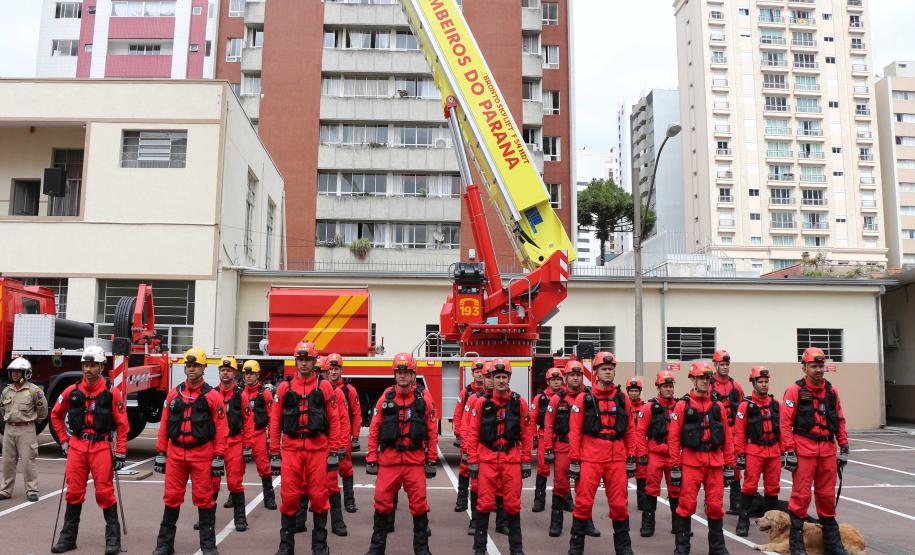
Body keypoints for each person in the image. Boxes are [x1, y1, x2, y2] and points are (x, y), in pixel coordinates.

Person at [49, 346, 129, 555]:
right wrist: (64, 441)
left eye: (93, 365)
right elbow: (55, 415)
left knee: (104, 492)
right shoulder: (71, 391)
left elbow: (122, 425)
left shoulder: (112, 393)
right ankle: (68, 538)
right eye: (85, 365)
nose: (88, 369)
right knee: (74, 492)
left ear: (101, 367)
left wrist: (120, 452)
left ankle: (113, 540)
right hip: (77, 447)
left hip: (101, 447)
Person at [152, 347, 229, 555]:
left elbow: (222, 429)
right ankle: (164, 544)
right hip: (175, 455)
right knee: (171, 498)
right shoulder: (173, 394)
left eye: (196, 365)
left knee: (204, 499)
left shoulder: (213, 397)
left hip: (202, 456)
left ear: (204, 368)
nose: (192, 369)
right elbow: (164, 424)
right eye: (189, 365)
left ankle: (208, 545)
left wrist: (218, 456)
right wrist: (161, 453)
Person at [364, 353, 438, 555]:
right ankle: (376, 549)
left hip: (414, 462)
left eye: (407, 372)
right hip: (389, 462)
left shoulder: (424, 399)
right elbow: (374, 429)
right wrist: (371, 457)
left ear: (414, 375)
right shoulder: (385, 398)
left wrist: (431, 459)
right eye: (399, 372)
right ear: (394, 374)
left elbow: (432, 431)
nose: (403, 375)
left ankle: (422, 550)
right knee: (381, 503)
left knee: (419, 505)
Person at [271, 340, 340, 555]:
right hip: (291, 450)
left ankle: (320, 545)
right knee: (289, 497)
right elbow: (275, 421)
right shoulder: (284, 388)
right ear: (295, 361)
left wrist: (334, 451)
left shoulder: (324, 386)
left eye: (308, 359)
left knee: (319, 497)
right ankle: (286, 545)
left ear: (314, 361)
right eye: (300, 359)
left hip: (318, 450)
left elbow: (334, 420)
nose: (303, 363)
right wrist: (274, 453)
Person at [781, 347, 850, 555]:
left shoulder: (832, 391)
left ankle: (832, 544)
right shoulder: (794, 391)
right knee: (801, 496)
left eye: (821, 366)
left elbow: (839, 418)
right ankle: (796, 544)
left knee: (827, 496)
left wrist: (843, 443)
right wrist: (789, 451)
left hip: (827, 450)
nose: (819, 370)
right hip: (804, 450)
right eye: (814, 366)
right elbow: (785, 423)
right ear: (804, 367)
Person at [567, 351, 637, 555]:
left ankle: (624, 549)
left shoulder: (622, 398)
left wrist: (631, 456)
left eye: (611, 369)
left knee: (619, 505)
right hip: (591, 458)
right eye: (604, 369)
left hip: (617, 459)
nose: (608, 372)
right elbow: (574, 431)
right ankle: (575, 549)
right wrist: (574, 460)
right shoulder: (583, 399)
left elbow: (630, 429)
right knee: (583, 503)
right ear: (596, 372)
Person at [464, 358, 534, 555]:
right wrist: (472, 460)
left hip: (511, 460)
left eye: (504, 377)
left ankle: (516, 550)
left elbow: (527, 434)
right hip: (487, 460)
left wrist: (526, 460)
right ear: (491, 379)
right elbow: (473, 433)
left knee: (512, 505)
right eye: (497, 377)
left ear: (509, 378)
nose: (501, 381)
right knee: (484, 504)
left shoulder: (519, 403)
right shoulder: (481, 403)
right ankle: (479, 549)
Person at [668, 361, 736, 555]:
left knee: (715, 506)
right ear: (693, 379)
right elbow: (673, 438)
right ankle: (682, 547)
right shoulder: (682, 406)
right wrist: (675, 467)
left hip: (715, 462)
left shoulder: (718, 406)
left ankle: (717, 548)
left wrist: (730, 465)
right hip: (691, 462)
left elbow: (727, 438)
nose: (705, 381)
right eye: (701, 378)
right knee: (686, 504)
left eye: (707, 378)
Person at [733, 366, 782, 537]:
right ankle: (743, 521)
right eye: (760, 381)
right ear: (753, 383)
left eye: (766, 381)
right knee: (749, 486)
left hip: (774, 451)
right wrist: (739, 454)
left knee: (773, 488)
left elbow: (783, 430)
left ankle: (774, 524)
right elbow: (739, 432)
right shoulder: (745, 406)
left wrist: (785, 451)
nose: (763, 384)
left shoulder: (776, 405)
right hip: (754, 450)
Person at [635, 370, 680, 538]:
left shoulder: (680, 406)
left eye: (670, 386)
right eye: (665, 386)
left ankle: (678, 525)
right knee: (651, 489)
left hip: (674, 455)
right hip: (655, 454)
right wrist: (643, 454)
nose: (668, 389)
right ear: (658, 388)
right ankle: (648, 525)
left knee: (676, 489)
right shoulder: (648, 407)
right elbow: (640, 432)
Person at [212, 357, 253, 532]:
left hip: (234, 443)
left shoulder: (241, 395)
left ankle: (240, 519)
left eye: (229, 370)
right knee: (211, 483)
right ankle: (207, 519)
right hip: (214, 445)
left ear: (234, 373)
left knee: (235, 483)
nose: (225, 373)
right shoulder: (211, 394)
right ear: (219, 372)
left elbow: (248, 421)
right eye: (223, 370)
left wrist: (247, 446)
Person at [0, 357, 48, 503]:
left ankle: (32, 490)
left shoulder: (34, 391)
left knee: (28, 461)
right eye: (13, 371)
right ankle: (5, 490)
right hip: (9, 429)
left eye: (18, 371)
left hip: (26, 429)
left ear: (26, 373)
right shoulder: (6, 391)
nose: (14, 374)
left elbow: (43, 412)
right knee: (7, 462)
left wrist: (32, 423)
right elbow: (2, 409)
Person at [317, 355, 350, 537]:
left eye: (322, 371)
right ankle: (299, 521)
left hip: (329, 445)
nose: (320, 375)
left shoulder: (336, 393)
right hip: (310, 447)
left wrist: (339, 447)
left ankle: (337, 522)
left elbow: (343, 422)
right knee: (305, 484)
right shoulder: (306, 391)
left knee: (331, 484)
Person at [325, 353, 362, 513]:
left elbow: (356, 414)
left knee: (345, 469)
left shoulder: (349, 390)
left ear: (341, 370)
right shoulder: (321, 389)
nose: (333, 372)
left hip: (343, 437)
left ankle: (349, 501)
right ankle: (322, 500)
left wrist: (355, 437)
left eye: (336, 369)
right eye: (331, 369)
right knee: (323, 471)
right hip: (325, 437)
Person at [462, 360, 495, 536]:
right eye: (487, 376)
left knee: (502, 488)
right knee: (476, 486)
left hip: (501, 454)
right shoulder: (474, 399)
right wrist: (467, 451)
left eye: (492, 376)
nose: (489, 380)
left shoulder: (510, 400)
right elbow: (468, 427)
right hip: (481, 451)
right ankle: (475, 521)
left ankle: (501, 522)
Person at [711, 349, 745, 515]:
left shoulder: (735, 386)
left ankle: (736, 503)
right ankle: (711, 502)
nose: (725, 367)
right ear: (715, 365)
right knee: (715, 466)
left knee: (735, 466)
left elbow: (743, 409)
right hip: (715, 431)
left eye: (727, 364)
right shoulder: (708, 385)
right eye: (722, 364)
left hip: (733, 430)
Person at [242, 359, 277, 510]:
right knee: (237, 467)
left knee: (264, 467)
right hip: (242, 436)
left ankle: (269, 498)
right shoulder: (239, 392)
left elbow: (272, 416)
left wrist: (271, 436)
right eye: (246, 373)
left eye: (252, 373)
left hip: (258, 434)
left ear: (258, 375)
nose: (248, 376)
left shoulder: (265, 393)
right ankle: (233, 495)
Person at [452, 358, 486, 513]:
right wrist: (458, 434)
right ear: (472, 373)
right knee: (465, 469)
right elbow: (458, 414)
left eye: (481, 372)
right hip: (467, 438)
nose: (479, 374)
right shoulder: (466, 392)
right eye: (477, 372)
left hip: (482, 439)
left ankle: (481, 501)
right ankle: (462, 500)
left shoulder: (489, 392)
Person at [530, 366, 564, 513]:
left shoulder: (566, 397)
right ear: (548, 382)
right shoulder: (540, 398)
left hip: (562, 438)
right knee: (543, 469)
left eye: (558, 379)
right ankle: (539, 501)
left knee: (563, 470)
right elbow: (532, 419)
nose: (556, 382)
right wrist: (534, 437)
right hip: (544, 436)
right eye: (553, 379)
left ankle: (566, 500)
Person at [625, 377, 647, 511]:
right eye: (631, 391)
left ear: (639, 392)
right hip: (626, 448)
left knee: (642, 476)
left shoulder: (645, 408)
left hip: (641, 448)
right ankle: (622, 503)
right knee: (622, 478)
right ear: (627, 391)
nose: (634, 393)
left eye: (636, 391)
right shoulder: (623, 407)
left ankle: (642, 503)